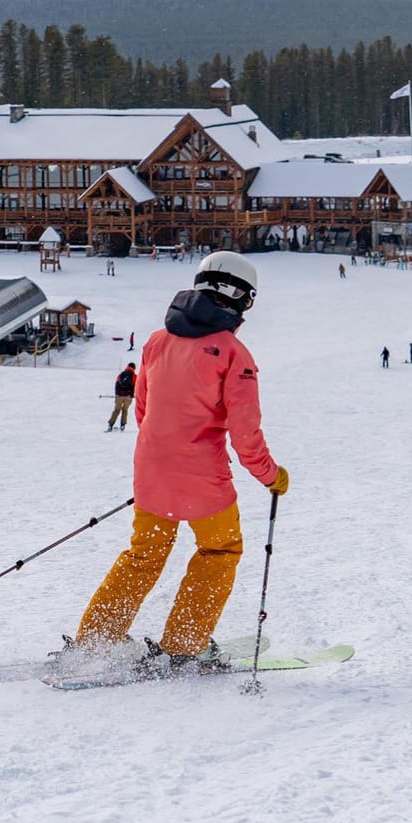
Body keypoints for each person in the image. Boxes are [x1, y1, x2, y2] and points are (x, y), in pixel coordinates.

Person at [73, 252, 287, 670]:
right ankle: (184, 646)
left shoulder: (157, 340)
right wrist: (271, 476)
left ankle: (96, 640)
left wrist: (161, 455)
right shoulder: (232, 353)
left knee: (145, 553)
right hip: (203, 478)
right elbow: (245, 434)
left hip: (151, 468)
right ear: (240, 298)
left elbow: (143, 407)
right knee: (219, 549)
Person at [107, 362, 137, 431]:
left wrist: (117, 393)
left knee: (116, 410)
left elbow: (117, 385)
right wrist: (131, 395)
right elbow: (134, 387)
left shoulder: (121, 374)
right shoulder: (135, 376)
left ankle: (110, 424)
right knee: (125, 410)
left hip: (119, 396)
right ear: (134, 368)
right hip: (128, 397)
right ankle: (122, 425)